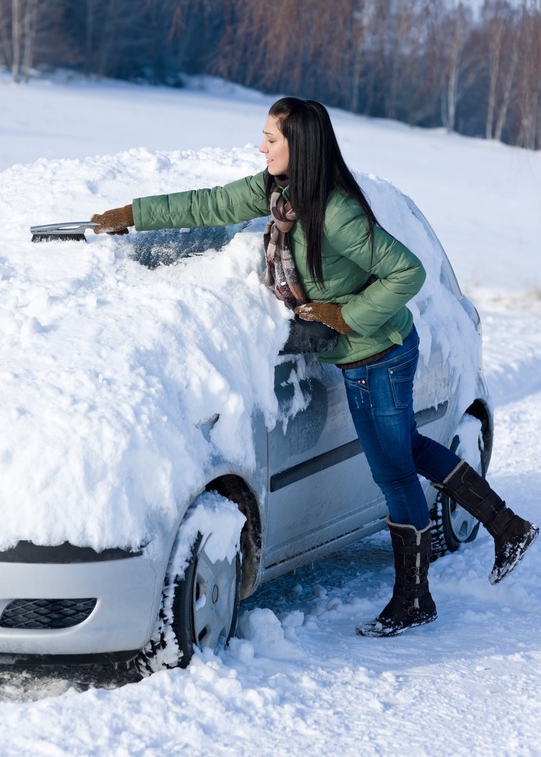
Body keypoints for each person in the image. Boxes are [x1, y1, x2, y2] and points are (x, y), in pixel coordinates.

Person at [91, 97, 538, 638]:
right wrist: (133, 215)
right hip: (356, 356)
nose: (262, 146)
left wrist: (344, 314)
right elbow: (208, 204)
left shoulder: (336, 211)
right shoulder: (277, 194)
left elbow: (407, 273)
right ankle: (506, 526)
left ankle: (415, 598)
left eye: (271, 139)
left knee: (393, 469)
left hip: (385, 354)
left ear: (298, 145)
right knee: (406, 451)